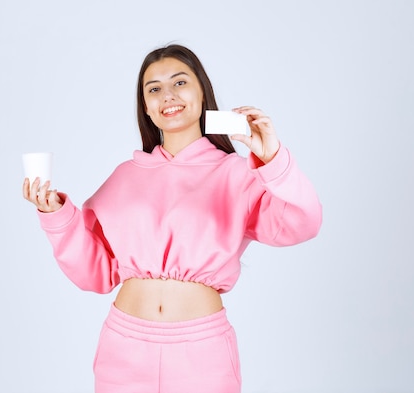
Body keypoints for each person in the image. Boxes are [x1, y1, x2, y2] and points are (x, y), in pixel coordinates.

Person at [23, 44, 322, 393]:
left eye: (180, 83)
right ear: (147, 108)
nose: (168, 95)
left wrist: (272, 158)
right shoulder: (125, 176)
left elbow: (304, 222)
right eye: (154, 89)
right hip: (124, 351)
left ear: (202, 93)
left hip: (201, 353)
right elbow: (96, 272)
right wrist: (54, 213)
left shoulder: (238, 174)